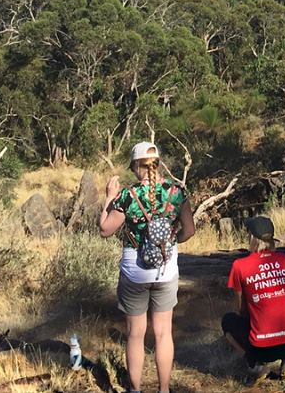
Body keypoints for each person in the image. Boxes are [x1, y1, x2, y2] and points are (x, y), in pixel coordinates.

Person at [99, 141, 196, 393]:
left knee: (135, 335)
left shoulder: (128, 196)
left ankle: (134, 389)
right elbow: (190, 230)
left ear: (135, 166)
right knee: (164, 333)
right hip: (166, 269)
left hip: (135, 272)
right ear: (158, 163)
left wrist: (109, 197)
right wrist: (172, 244)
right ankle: (164, 390)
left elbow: (105, 230)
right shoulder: (177, 192)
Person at [222, 216, 285, 384]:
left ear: (251, 237)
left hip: (262, 349)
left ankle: (256, 365)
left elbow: (242, 310)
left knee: (228, 322)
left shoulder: (239, 265)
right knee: (282, 315)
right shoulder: (283, 259)